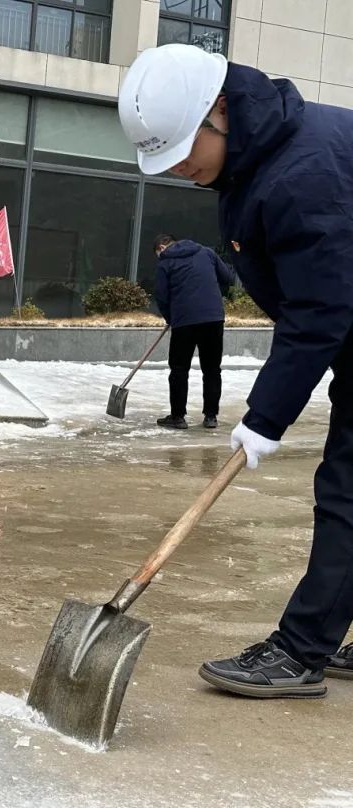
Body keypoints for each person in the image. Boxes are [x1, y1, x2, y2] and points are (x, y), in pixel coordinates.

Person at [120, 43, 353, 698]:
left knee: (347, 492)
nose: (180, 167)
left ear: (220, 108)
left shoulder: (302, 172)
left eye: (184, 148)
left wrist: (265, 417)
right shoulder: (258, 161)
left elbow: (319, 309)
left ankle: (301, 652)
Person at [152, 232, 234, 430]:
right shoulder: (206, 252)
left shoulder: (165, 262)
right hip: (213, 318)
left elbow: (161, 295)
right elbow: (228, 277)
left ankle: (178, 417)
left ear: (162, 248)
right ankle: (211, 417)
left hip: (184, 321)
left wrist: (171, 317)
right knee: (212, 369)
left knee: (179, 369)